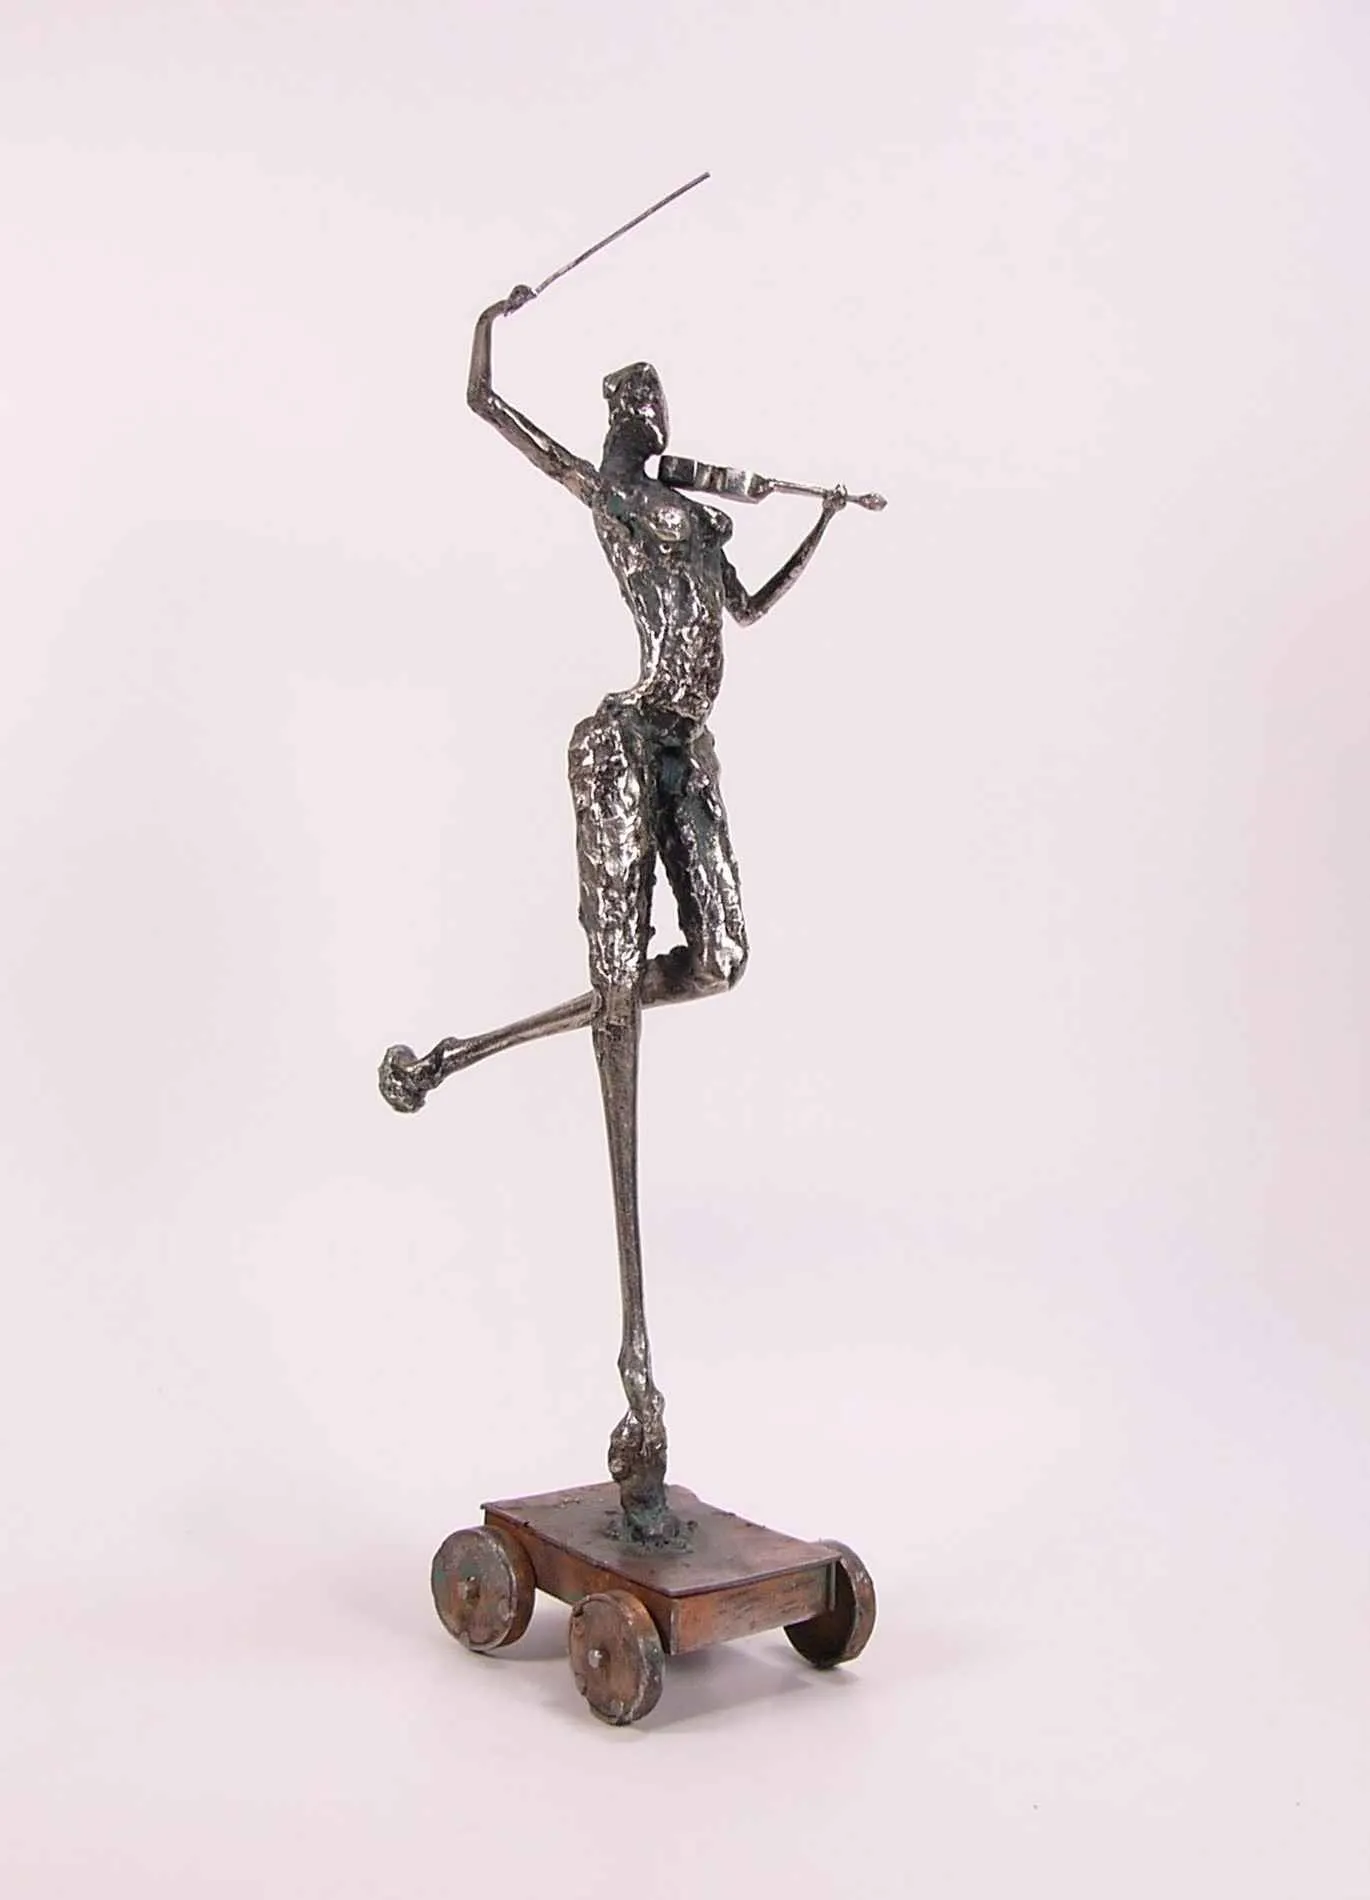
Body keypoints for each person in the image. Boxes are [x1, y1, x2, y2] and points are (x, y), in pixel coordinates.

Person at [380, 286, 852, 1542]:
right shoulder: (617, 498)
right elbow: (485, 404)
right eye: (633, 402)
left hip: (687, 748)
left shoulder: (693, 520)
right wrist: (490, 319)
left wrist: (814, 524)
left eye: (653, 400)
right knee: (618, 1014)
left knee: (720, 959)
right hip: (627, 737)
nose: (648, 415)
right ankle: (635, 1370)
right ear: (617, 417)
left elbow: (749, 610)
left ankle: (468, 1048)